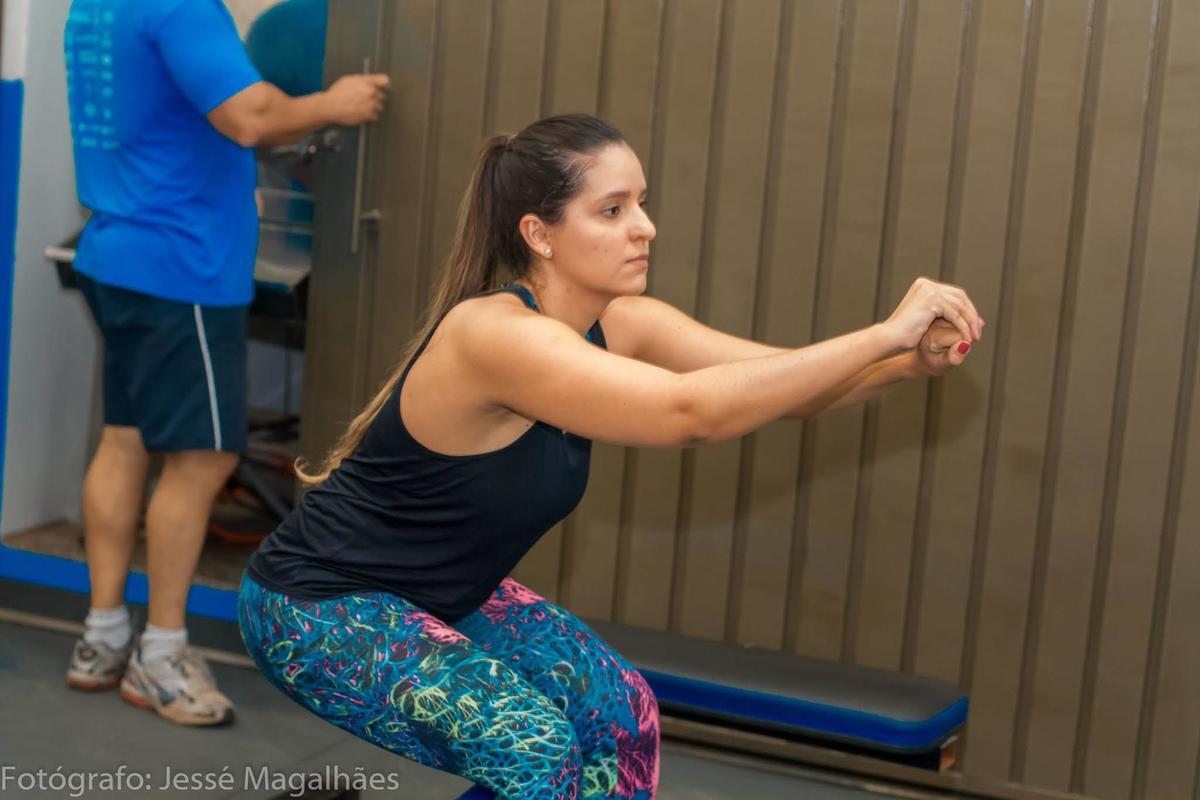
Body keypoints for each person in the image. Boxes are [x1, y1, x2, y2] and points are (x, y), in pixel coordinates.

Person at [238, 114, 984, 797]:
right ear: (540, 234)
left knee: (620, 717)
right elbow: (690, 412)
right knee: (533, 749)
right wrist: (883, 334)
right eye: (613, 210)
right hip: (316, 607)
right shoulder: (496, 336)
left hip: (439, 596)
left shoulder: (624, 323)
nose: (644, 228)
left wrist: (907, 362)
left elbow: (791, 387)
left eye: (642, 204)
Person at [62, 0, 388, 727]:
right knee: (201, 459)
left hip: (119, 252)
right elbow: (250, 117)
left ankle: (103, 635)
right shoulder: (181, 6)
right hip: (183, 270)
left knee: (125, 441)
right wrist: (334, 104)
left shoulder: (94, 5)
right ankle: (162, 654)